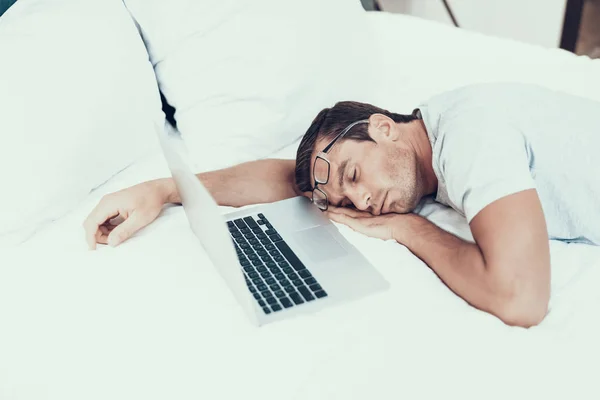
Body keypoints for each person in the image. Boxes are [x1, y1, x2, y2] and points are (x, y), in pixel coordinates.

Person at [83, 82, 600, 327]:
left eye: (353, 175)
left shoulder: (468, 138)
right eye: (342, 197)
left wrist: (408, 230)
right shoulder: (422, 137)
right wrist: (163, 190)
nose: (360, 203)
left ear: (380, 127)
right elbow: (290, 176)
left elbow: (521, 299)